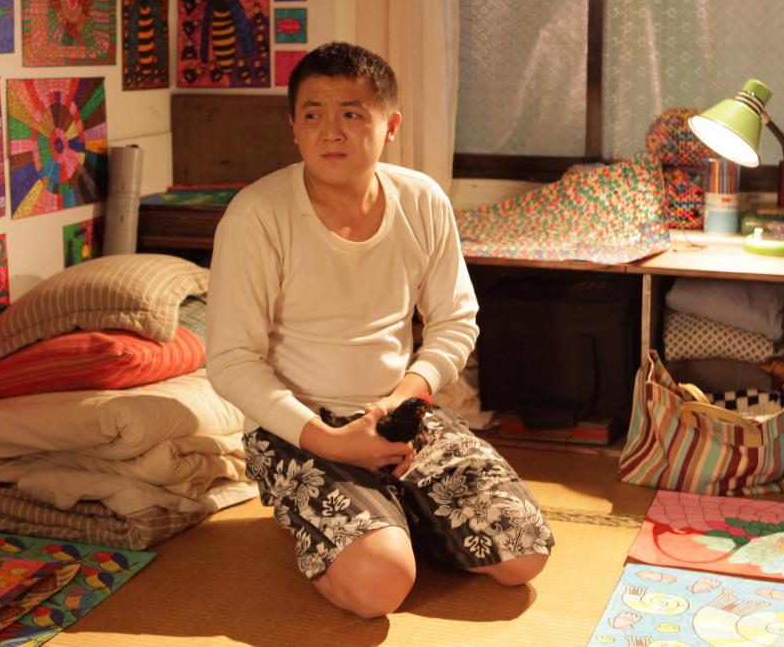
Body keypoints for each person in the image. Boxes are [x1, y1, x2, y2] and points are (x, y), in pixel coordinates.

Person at [206, 41, 553, 619]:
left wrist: (404, 397)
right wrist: (331, 441)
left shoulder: (422, 200)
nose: (331, 131)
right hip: (301, 427)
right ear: (293, 127)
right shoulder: (256, 214)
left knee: (524, 555)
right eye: (313, 114)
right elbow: (231, 361)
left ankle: (389, 514)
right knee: (380, 587)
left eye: (351, 113)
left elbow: (454, 320)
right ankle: (368, 529)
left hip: (400, 411)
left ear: (390, 125)